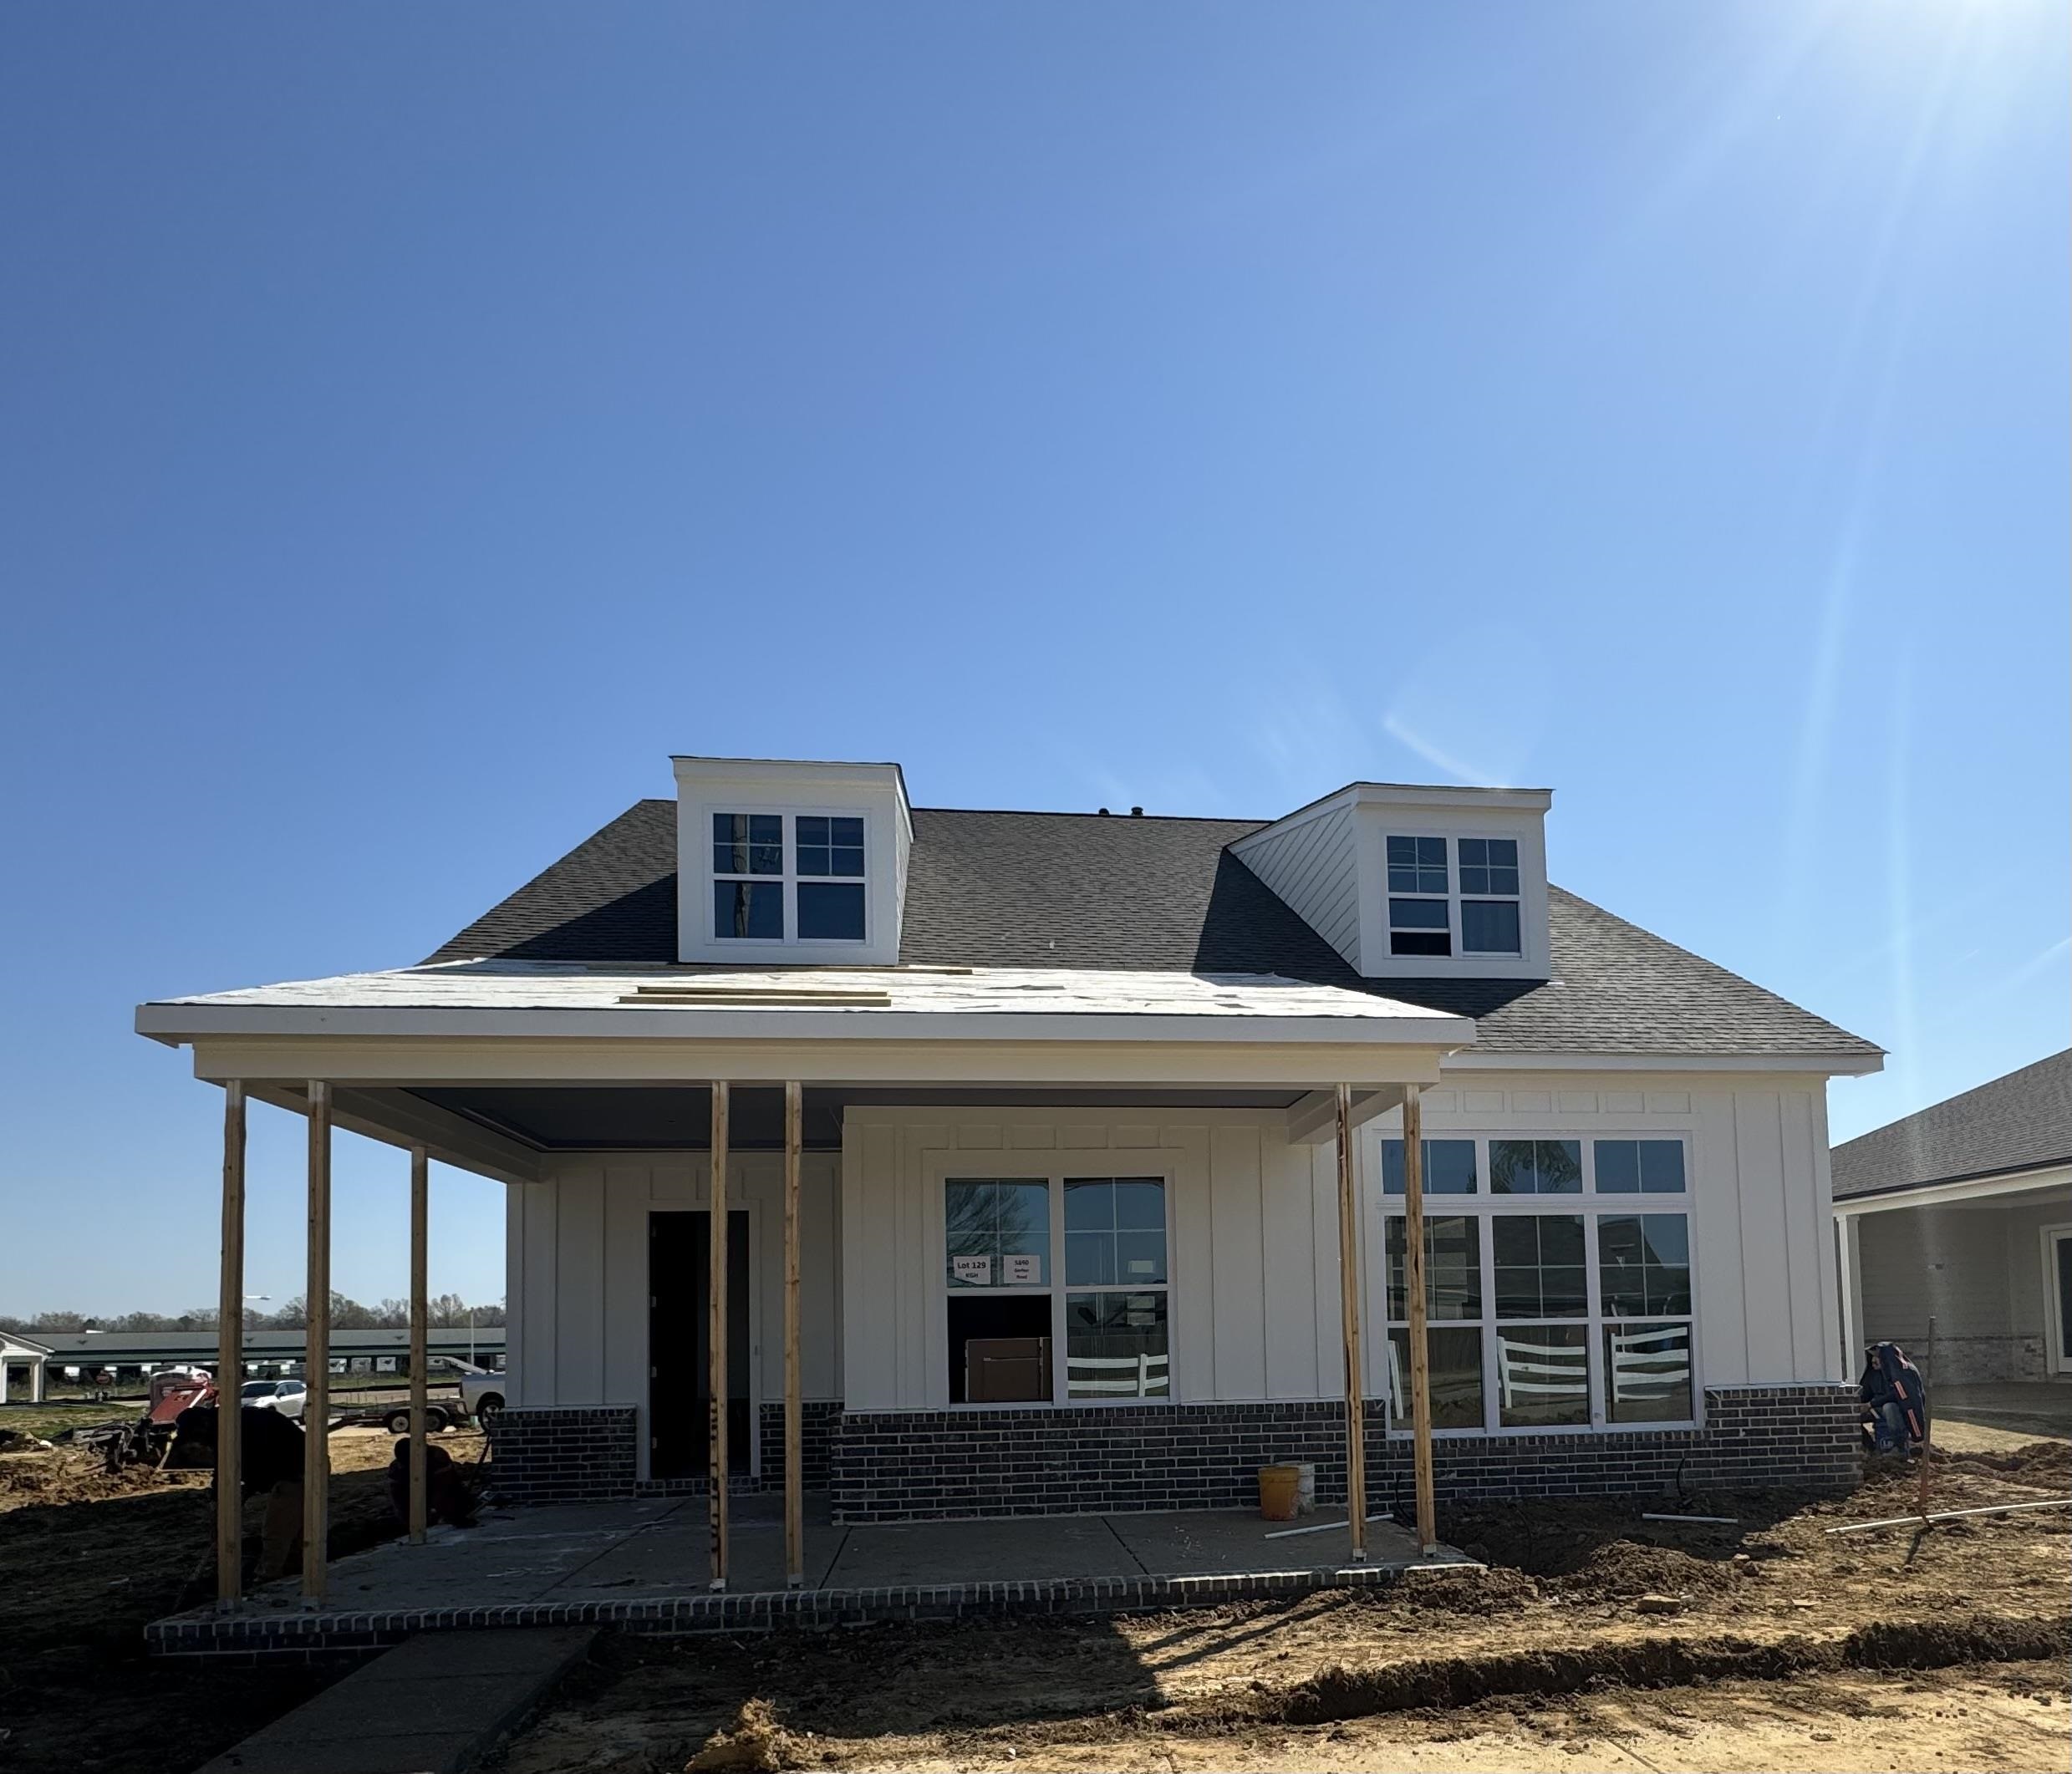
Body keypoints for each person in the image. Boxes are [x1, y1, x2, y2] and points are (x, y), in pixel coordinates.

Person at [169, 1402, 308, 1579]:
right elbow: (225, 1469)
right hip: (287, 1468)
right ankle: (294, 1570)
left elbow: (255, 1464)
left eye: (197, 1439)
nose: (200, 1444)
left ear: (203, 1425)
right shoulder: (223, 1426)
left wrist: (245, 1491)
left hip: (300, 1470)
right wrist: (219, 1498)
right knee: (293, 1527)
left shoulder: (239, 1427)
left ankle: (269, 1575)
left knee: (277, 1528)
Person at [386, 1436, 478, 1528]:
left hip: (440, 1488)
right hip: (414, 1492)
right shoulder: (397, 1469)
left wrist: (447, 1513)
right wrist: (410, 1520)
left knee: (456, 1502)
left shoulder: (437, 1457)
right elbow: (397, 1497)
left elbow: (444, 1486)